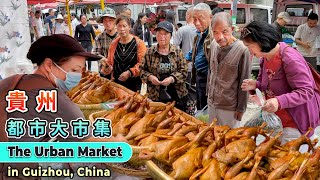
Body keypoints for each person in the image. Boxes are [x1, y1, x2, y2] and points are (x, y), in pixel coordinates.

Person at [0, 34, 125, 179]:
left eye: (80, 71)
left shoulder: (14, 80)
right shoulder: (52, 98)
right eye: (74, 70)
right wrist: (119, 141)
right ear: (49, 65)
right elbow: (93, 145)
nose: (78, 77)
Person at [241, 21, 320, 142]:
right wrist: (256, 84)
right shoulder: (265, 57)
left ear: (263, 41)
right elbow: (268, 84)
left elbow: (306, 91)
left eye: (250, 46)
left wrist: (279, 101)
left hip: (295, 123)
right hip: (277, 121)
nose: (248, 50)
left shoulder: (290, 59)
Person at [207, 12, 251, 127]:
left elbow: (244, 81)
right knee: (212, 137)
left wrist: (241, 108)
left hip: (229, 107)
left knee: (228, 140)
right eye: (215, 32)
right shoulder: (213, 45)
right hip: (212, 103)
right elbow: (210, 72)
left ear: (232, 29)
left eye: (224, 31)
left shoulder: (242, 50)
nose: (219, 37)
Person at [140, 21, 189, 111]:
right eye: (159, 33)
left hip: (177, 94)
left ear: (171, 35)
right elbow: (142, 70)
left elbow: (184, 71)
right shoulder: (150, 52)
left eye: (165, 34)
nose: (162, 37)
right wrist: (150, 77)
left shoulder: (177, 52)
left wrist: (172, 78)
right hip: (155, 95)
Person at [101, 15, 147, 91]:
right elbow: (109, 62)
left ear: (129, 27)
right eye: (119, 26)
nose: (122, 29)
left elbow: (142, 64)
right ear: (116, 27)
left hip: (134, 84)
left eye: (124, 26)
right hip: (116, 84)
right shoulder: (113, 44)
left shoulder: (139, 43)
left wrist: (130, 72)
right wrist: (106, 69)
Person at [185, 3, 213, 110]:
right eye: (194, 19)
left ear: (210, 18)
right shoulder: (199, 34)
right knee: (200, 106)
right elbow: (193, 52)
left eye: (201, 19)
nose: (197, 23)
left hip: (208, 80)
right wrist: (182, 61)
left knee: (206, 108)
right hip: (199, 77)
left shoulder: (213, 37)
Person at [174, 7, 197, 84]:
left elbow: (174, 46)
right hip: (199, 67)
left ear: (188, 15)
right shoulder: (201, 30)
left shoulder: (182, 30)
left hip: (185, 65)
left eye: (186, 14)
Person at [93, 8, 118, 78]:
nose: (107, 23)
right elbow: (95, 53)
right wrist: (104, 61)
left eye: (110, 20)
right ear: (102, 22)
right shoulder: (99, 38)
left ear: (115, 21)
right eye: (105, 21)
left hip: (120, 72)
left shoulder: (121, 36)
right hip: (104, 72)